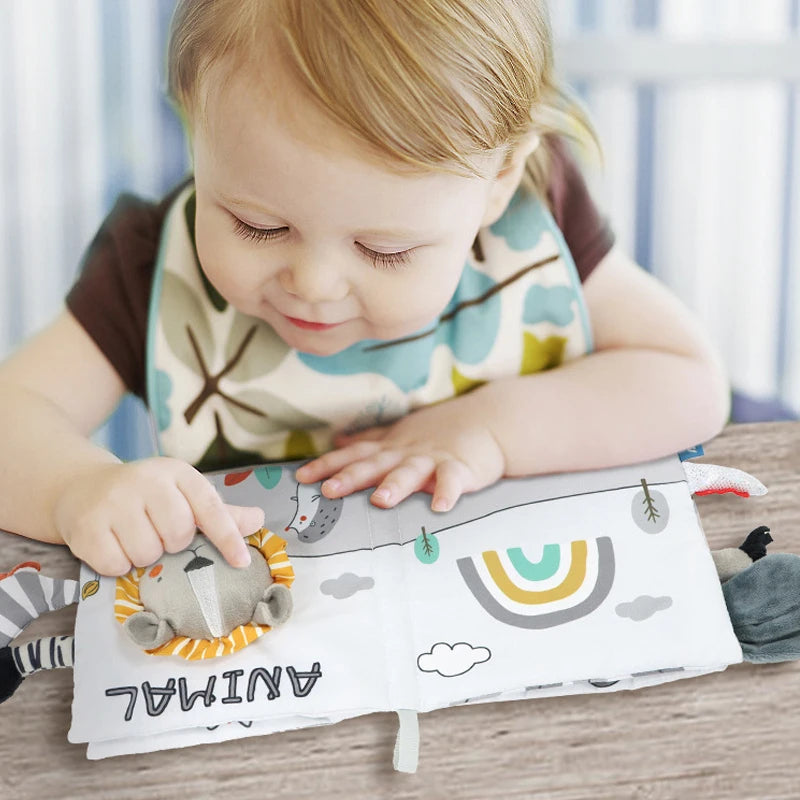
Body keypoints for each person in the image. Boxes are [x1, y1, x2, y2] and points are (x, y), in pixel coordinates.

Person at [0, 0, 729, 577]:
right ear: (194, 122)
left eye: (387, 250)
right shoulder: (148, 266)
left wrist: (492, 431)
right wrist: (76, 488)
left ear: (499, 180)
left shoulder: (538, 223)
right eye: (256, 226)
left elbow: (686, 381)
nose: (313, 286)